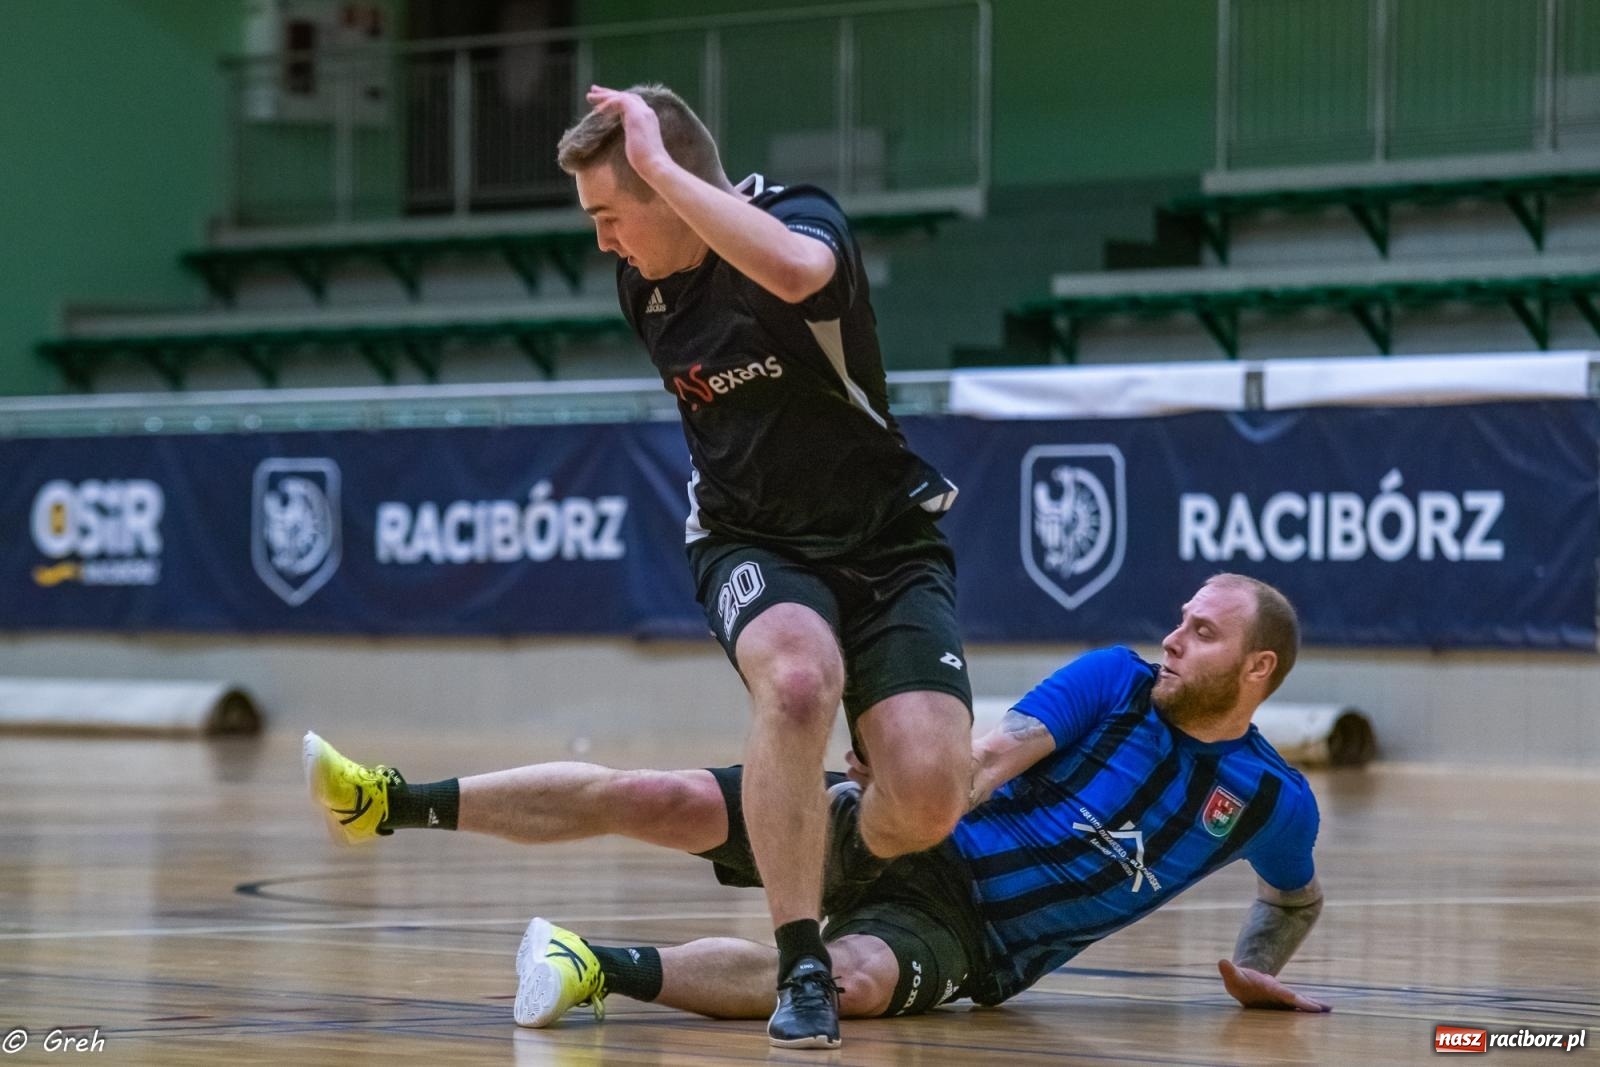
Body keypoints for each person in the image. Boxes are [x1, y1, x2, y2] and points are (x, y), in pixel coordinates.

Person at [306, 573, 1329, 1033]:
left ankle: (590, 966)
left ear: (1256, 669)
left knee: (854, 980)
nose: (1174, 635)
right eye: (1181, 617)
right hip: (906, 819)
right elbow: (992, 755)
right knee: (658, 794)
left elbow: (1294, 898)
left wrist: (1254, 964)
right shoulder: (1115, 676)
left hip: (966, 934)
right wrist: (900, 791)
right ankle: (388, 800)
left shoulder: (1268, 801)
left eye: (1200, 631)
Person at [499, 82, 971, 1047]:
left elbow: (800, 275)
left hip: (887, 541)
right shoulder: (645, 280)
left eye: (610, 215)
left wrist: (666, 172)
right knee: (798, 683)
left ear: (671, 192)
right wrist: (652, 198)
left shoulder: (800, 219)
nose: (603, 243)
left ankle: (821, 823)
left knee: (927, 796)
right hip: (750, 539)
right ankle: (802, 958)